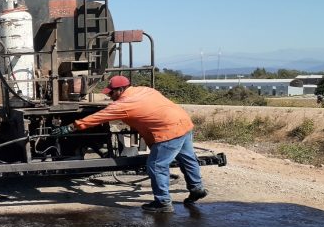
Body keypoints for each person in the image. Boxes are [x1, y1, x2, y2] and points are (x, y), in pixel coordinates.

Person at [54, 75, 208, 213]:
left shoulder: (122, 104)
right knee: (187, 158)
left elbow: (98, 117)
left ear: (120, 90)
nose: (109, 96)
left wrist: (71, 127)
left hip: (168, 131)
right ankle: (197, 189)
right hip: (184, 123)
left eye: (111, 93)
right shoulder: (145, 90)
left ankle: (163, 203)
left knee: (156, 165)